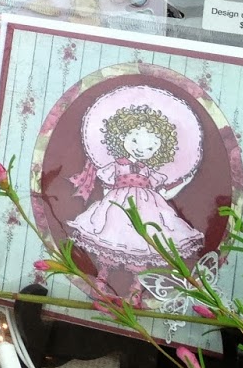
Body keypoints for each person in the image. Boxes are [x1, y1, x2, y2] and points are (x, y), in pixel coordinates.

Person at [69, 100, 204, 285]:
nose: (141, 149)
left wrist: (184, 183)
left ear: (159, 150)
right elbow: (107, 188)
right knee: (113, 236)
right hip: (117, 208)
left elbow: (164, 195)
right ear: (121, 135)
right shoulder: (116, 166)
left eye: (150, 148)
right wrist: (104, 208)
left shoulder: (150, 173)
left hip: (147, 212)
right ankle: (103, 276)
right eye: (134, 140)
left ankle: (136, 285)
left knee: (142, 241)